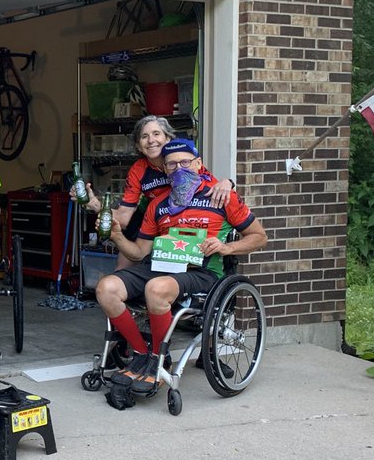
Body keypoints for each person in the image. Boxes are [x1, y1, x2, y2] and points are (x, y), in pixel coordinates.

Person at [96, 138, 267, 406]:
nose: (179, 168)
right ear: (164, 170)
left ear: (199, 164)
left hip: (201, 271)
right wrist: (117, 236)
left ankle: (157, 358)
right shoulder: (158, 204)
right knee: (106, 288)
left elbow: (259, 237)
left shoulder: (221, 196)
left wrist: (226, 247)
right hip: (160, 266)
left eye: (185, 162)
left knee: (156, 288)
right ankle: (143, 353)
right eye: (172, 164)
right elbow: (139, 253)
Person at [73, 114, 231, 269]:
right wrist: (94, 204)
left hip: (184, 220)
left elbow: (213, 188)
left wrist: (228, 183)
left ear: (167, 138)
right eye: (144, 136)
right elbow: (123, 218)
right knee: (123, 268)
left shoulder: (182, 160)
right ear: (138, 145)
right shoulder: (138, 170)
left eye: (156, 134)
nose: (151, 140)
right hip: (150, 218)